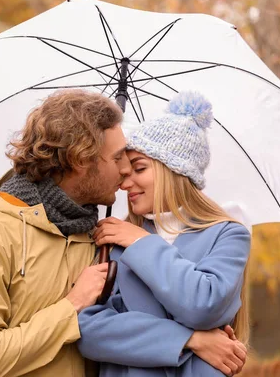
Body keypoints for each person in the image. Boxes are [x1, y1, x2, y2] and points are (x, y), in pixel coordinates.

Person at [0, 89, 131, 377]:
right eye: (118, 157)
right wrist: (72, 305)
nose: (127, 168)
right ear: (81, 159)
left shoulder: (101, 238)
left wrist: (192, 341)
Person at [77, 91, 251, 376]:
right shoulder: (112, 239)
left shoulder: (228, 235)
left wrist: (142, 242)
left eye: (139, 169)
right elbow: (88, 330)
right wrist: (192, 339)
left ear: (173, 171)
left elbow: (203, 305)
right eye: (123, 171)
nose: (124, 183)